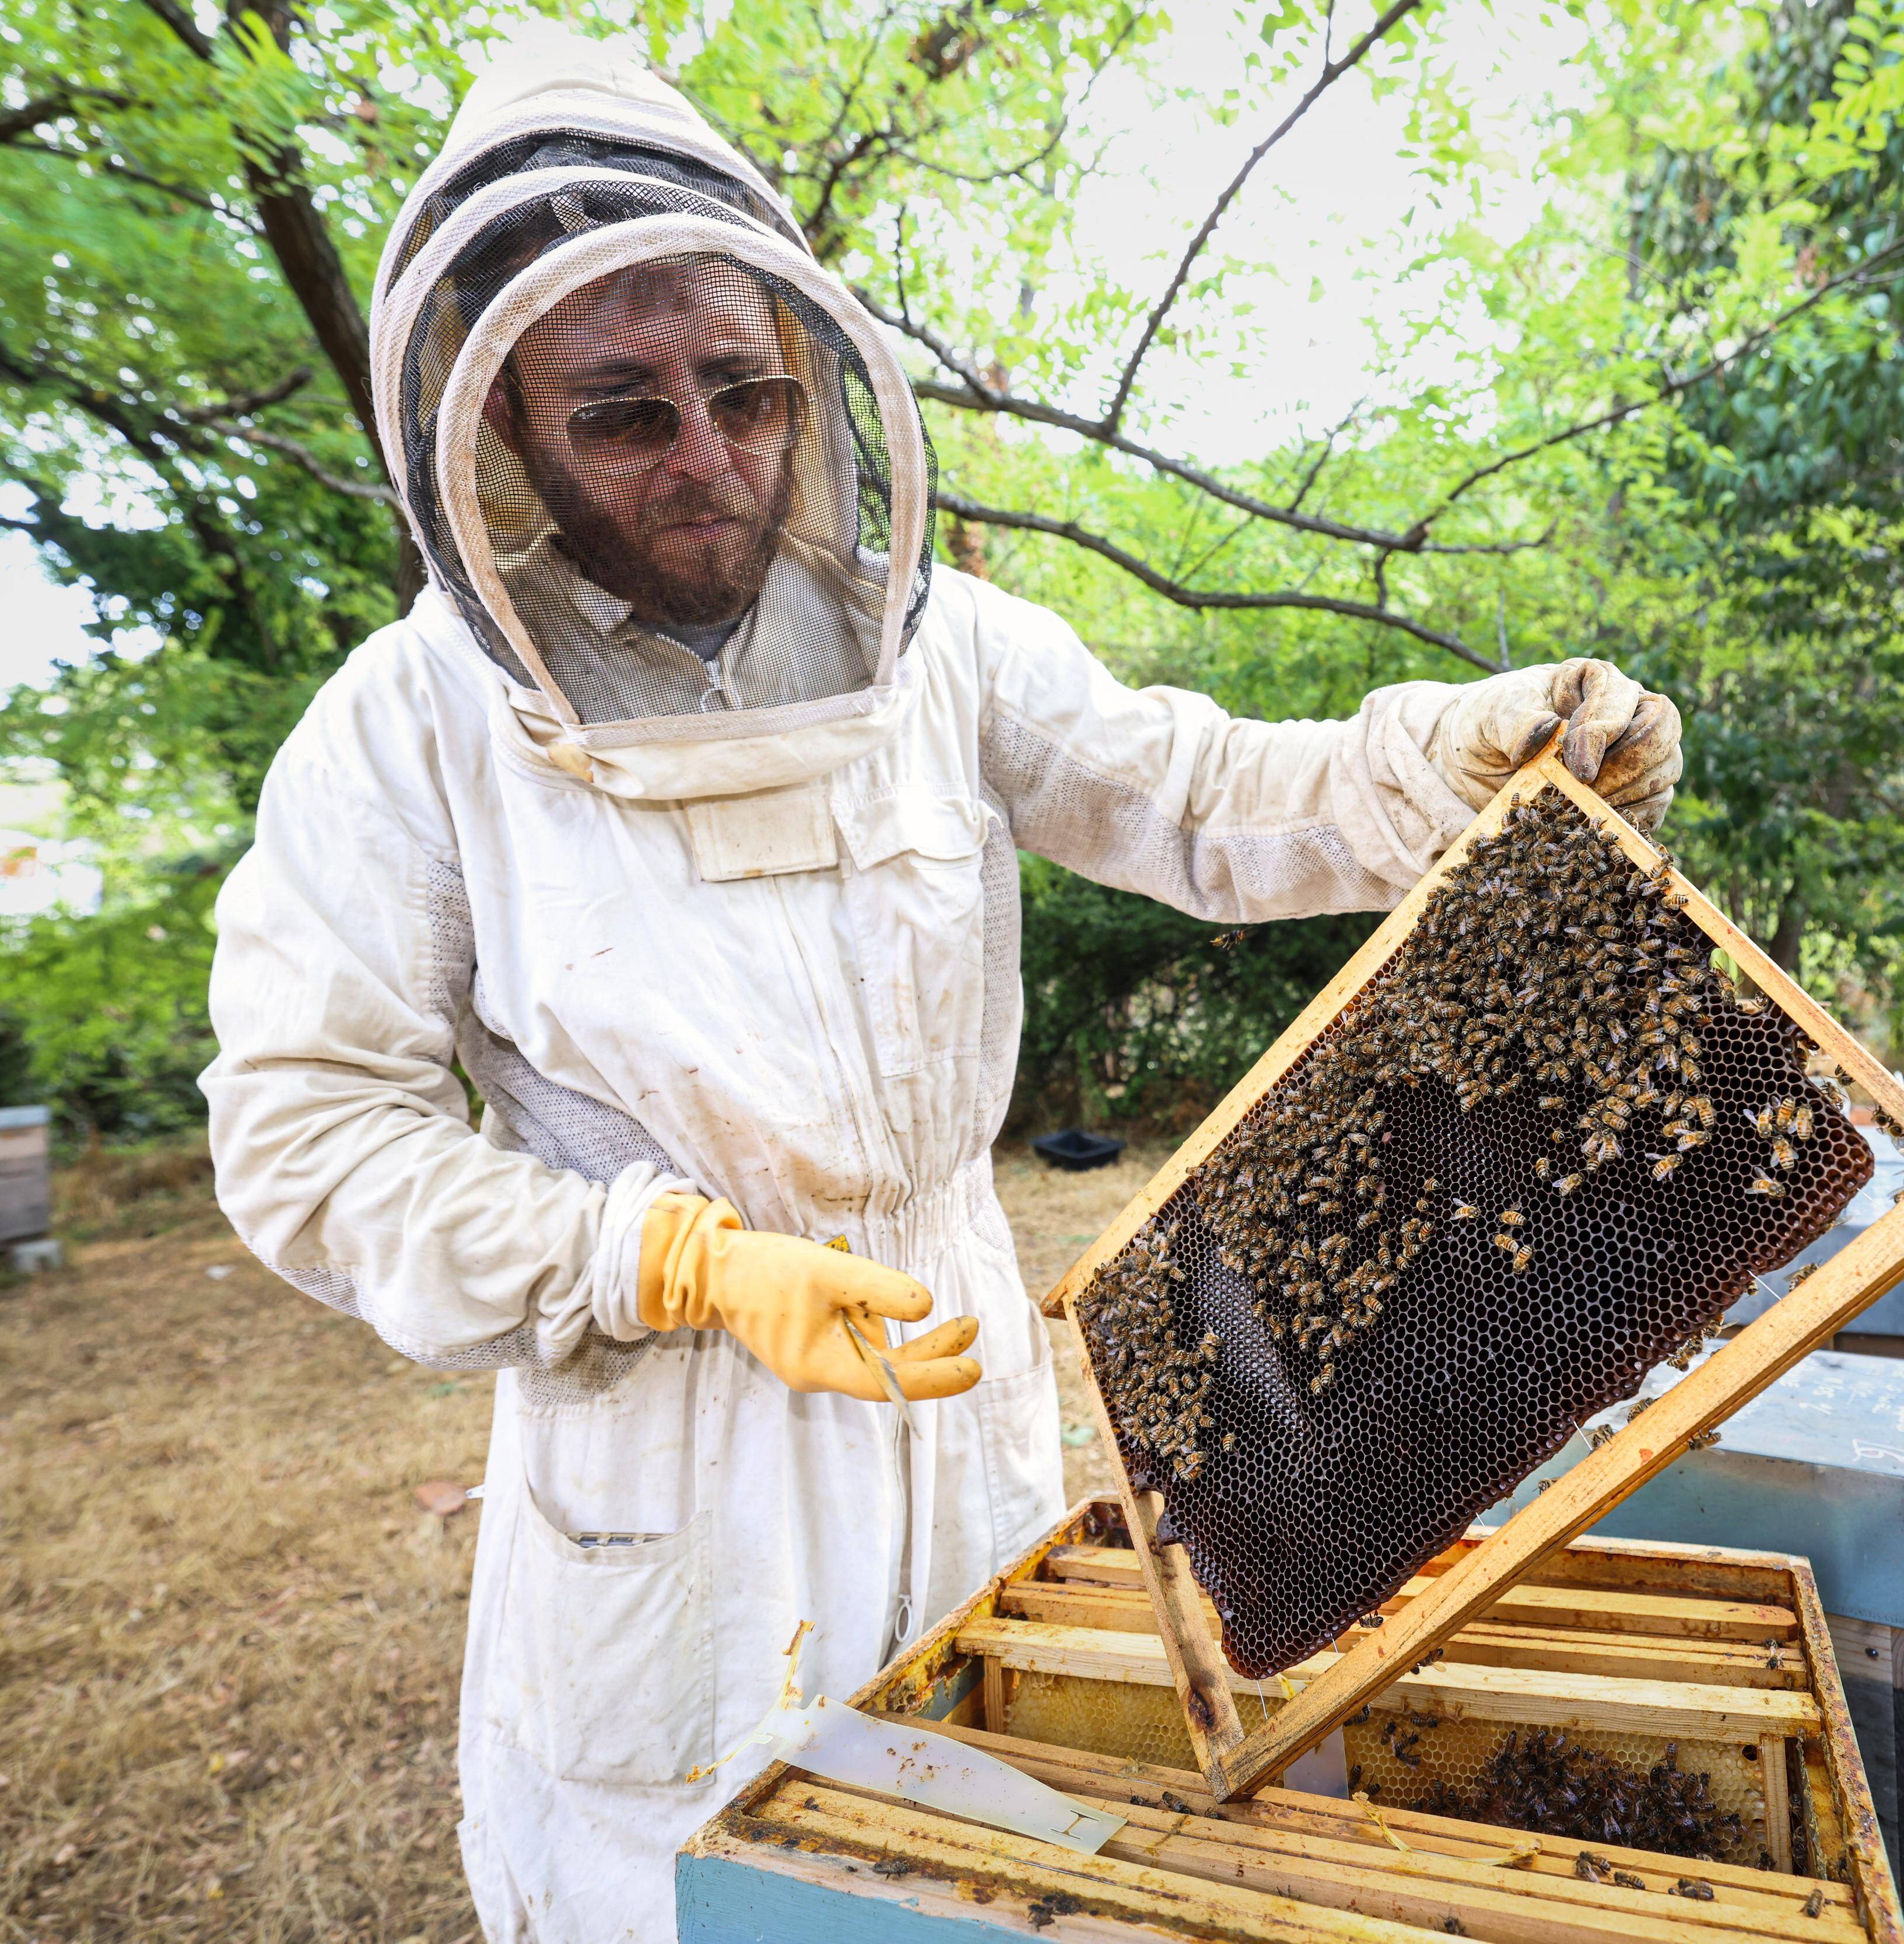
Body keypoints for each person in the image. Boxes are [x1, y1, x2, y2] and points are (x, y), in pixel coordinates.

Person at [201, 46, 1682, 1944]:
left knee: (989, 1881)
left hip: (957, 1393)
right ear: (507, 434)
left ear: (808, 377)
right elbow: (309, 1141)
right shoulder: (407, 736)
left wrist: (1452, 765)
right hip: (672, 1458)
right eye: (626, 413)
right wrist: (674, 1267)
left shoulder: (943, 647)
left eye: (742, 392)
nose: (710, 455)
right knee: (698, 1903)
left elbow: (1202, 797)